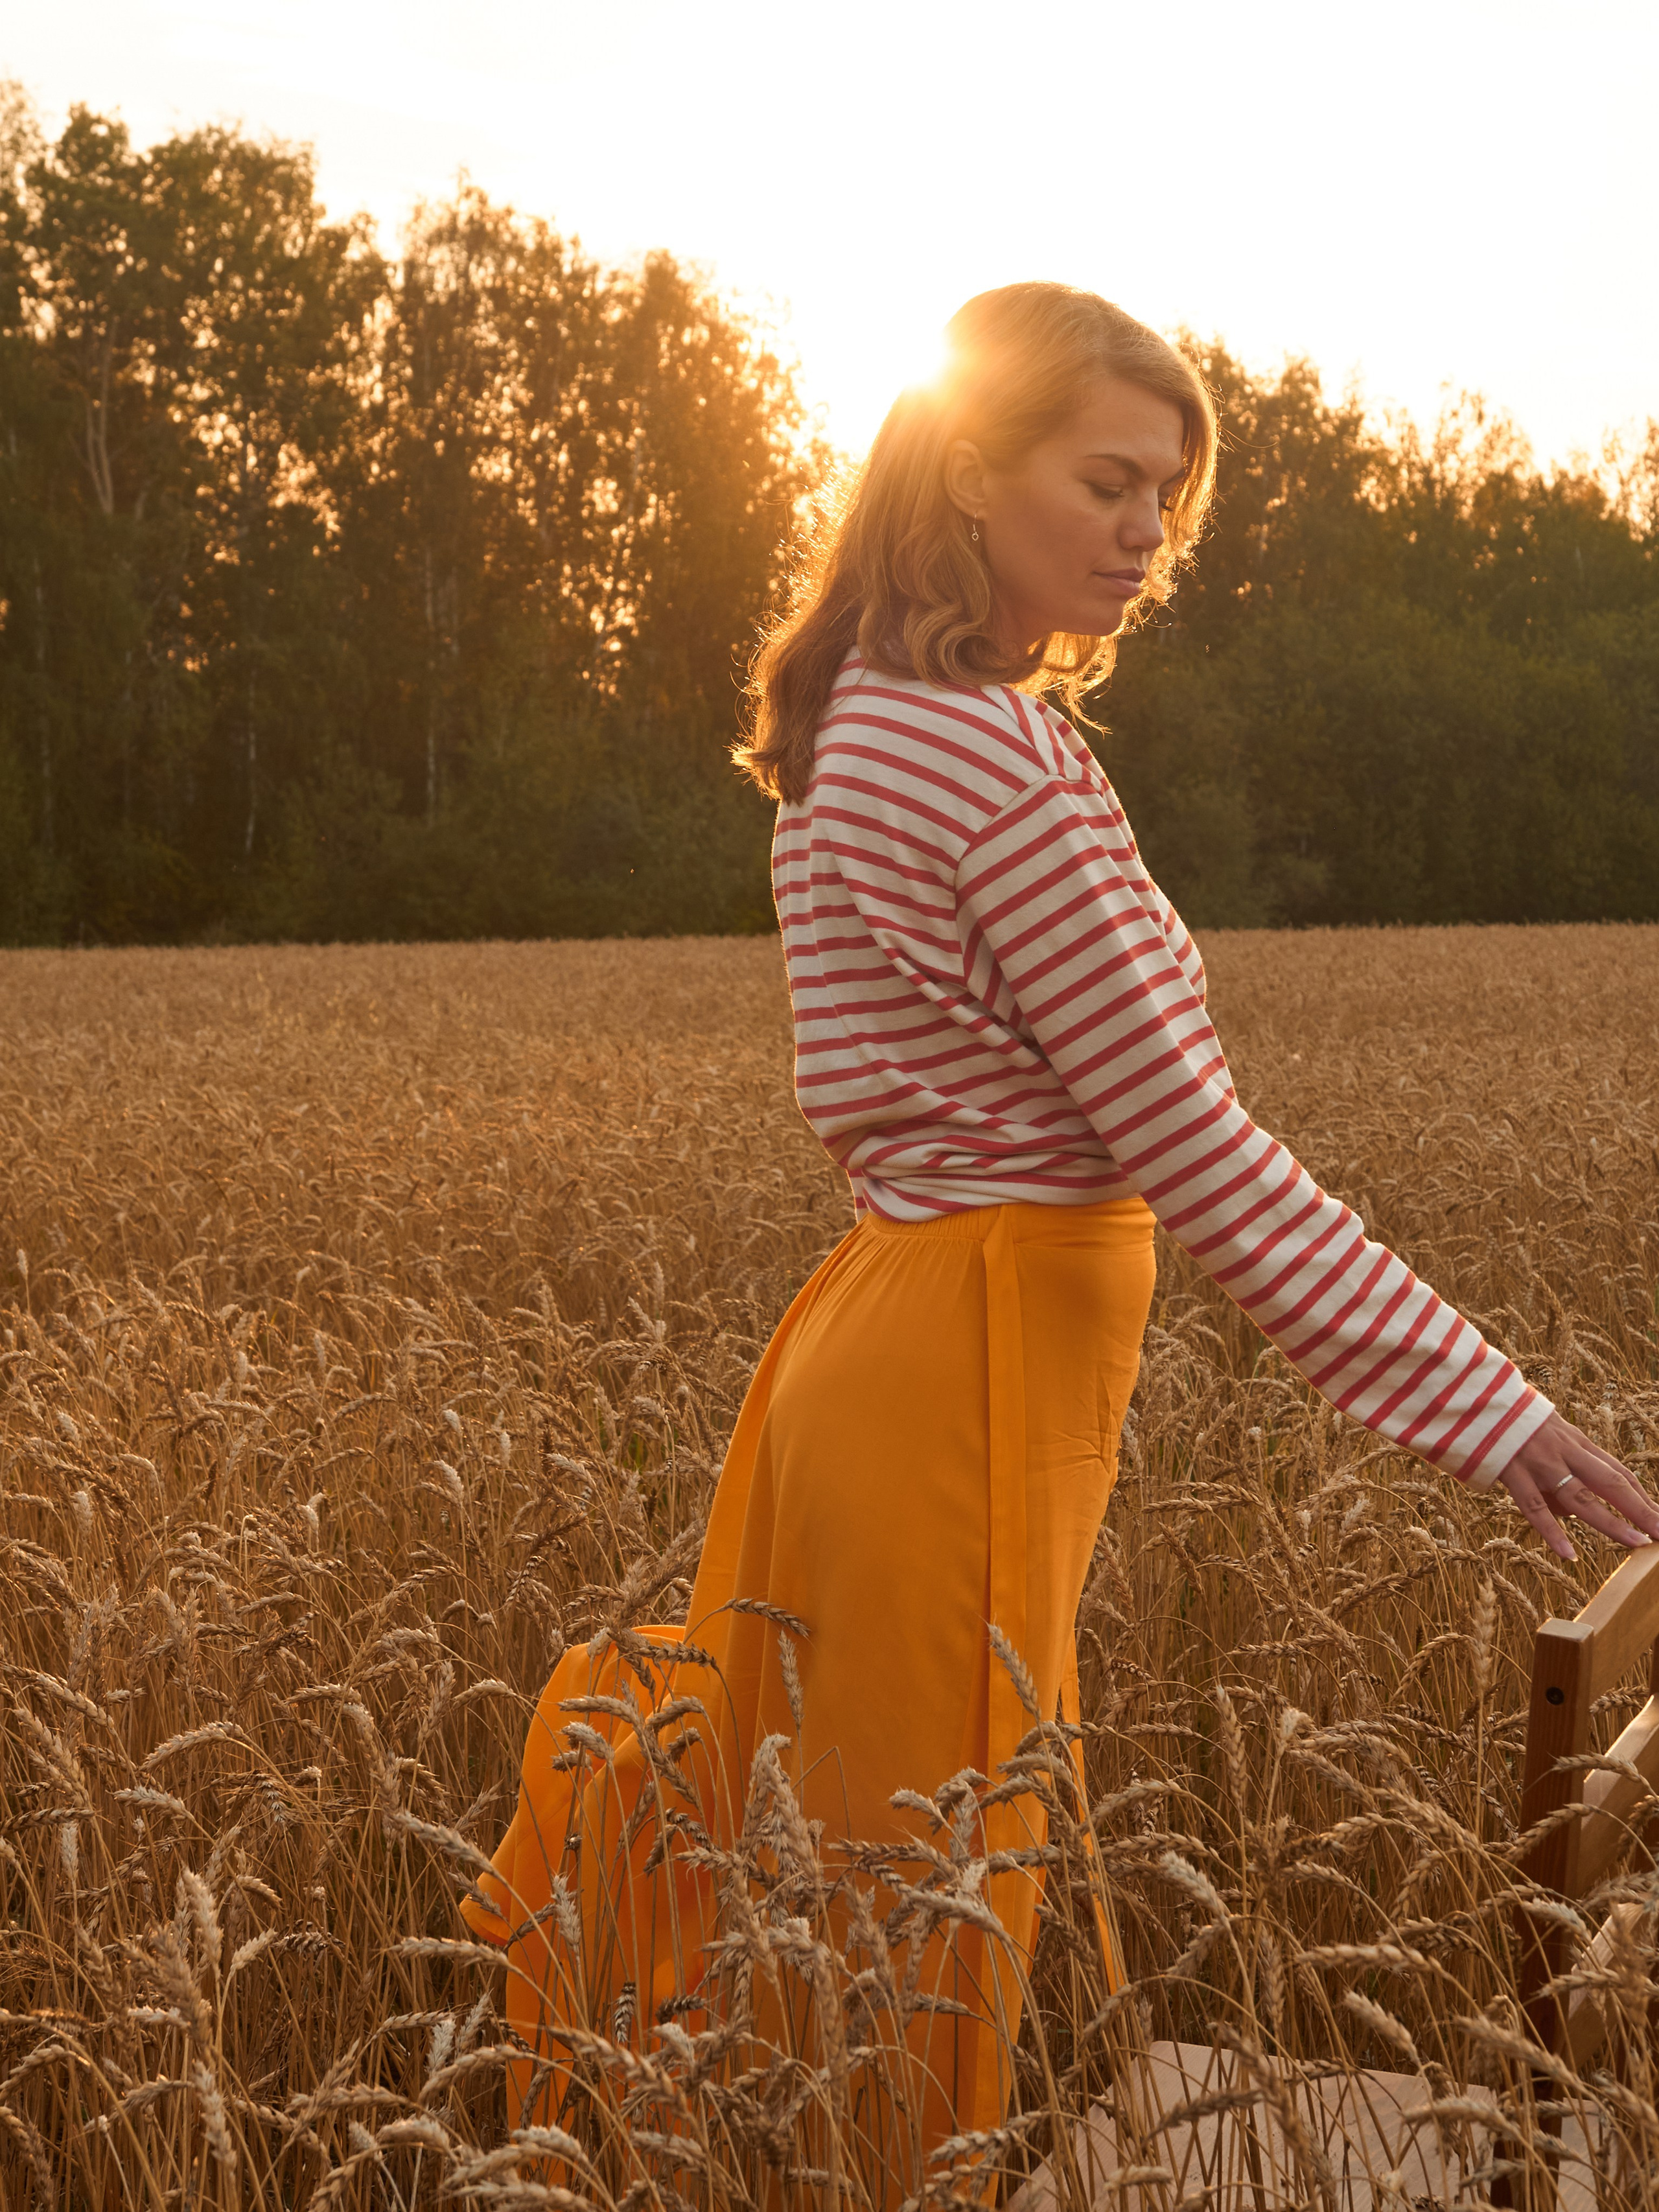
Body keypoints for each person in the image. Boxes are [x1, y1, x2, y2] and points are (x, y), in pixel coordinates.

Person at [463, 282, 1659, 2194]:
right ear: (966, 464)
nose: (1144, 534)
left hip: (915, 1342)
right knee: (920, 1905)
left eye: (1166, 500)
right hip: (968, 1371)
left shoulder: (872, 718)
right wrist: (1494, 1410)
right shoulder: (987, 763)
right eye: (1107, 480)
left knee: (876, 1872)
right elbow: (1205, 1154)